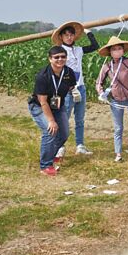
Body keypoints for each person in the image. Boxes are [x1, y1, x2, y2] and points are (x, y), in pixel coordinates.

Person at [51, 21, 99, 157]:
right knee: (63, 119)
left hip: (81, 88)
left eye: (71, 34)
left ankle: (80, 145)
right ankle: (60, 146)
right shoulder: (59, 51)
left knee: (80, 119)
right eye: (66, 35)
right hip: (66, 91)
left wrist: (88, 32)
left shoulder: (78, 50)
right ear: (61, 37)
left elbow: (95, 46)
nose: (69, 37)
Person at [28, 46, 77, 176]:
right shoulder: (43, 76)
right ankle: (45, 165)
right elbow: (43, 101)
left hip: (57, 106)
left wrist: (75, 93)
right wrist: (51, 121)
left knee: (64, 134)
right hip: (40, 106)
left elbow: (71, 86)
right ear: (50, 59)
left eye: (63, 57)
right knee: (51, 131)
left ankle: (51, 154)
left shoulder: (68, 72)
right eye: (56, 57)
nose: (60, 59)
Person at [95, 36, 128, 162]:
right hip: (115, 101)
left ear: (123, 50)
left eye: (119, 48)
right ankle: (118, 153)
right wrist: (101, 93)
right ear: (110, 52)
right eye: (114, 49)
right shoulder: (106, 66)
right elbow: (98, 82)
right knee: (118, 128)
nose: (117, 51)